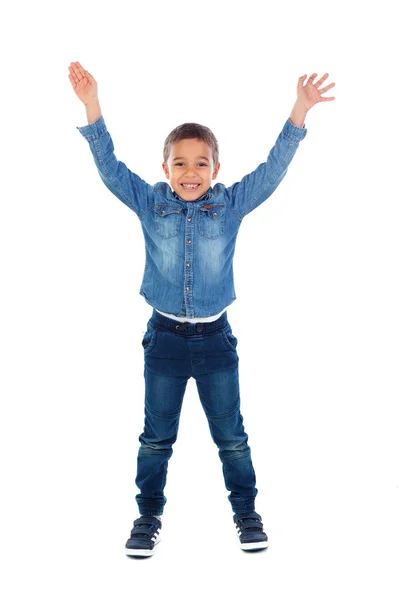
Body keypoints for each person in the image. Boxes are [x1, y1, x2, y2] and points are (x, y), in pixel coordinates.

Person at [69, 61, 335, 557]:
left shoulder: (230, 204)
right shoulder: (150, 203)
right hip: (164, 340)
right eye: (180, 163)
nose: (190, 173)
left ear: (217, 169)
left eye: (201, 163)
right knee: (156, 438)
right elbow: (109, 167)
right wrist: (92, 106)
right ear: (164, 168)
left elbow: (272, 169)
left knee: (231, 437)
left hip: (215, 341)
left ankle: (246, 513)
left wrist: (299, 112)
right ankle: (147, 517)